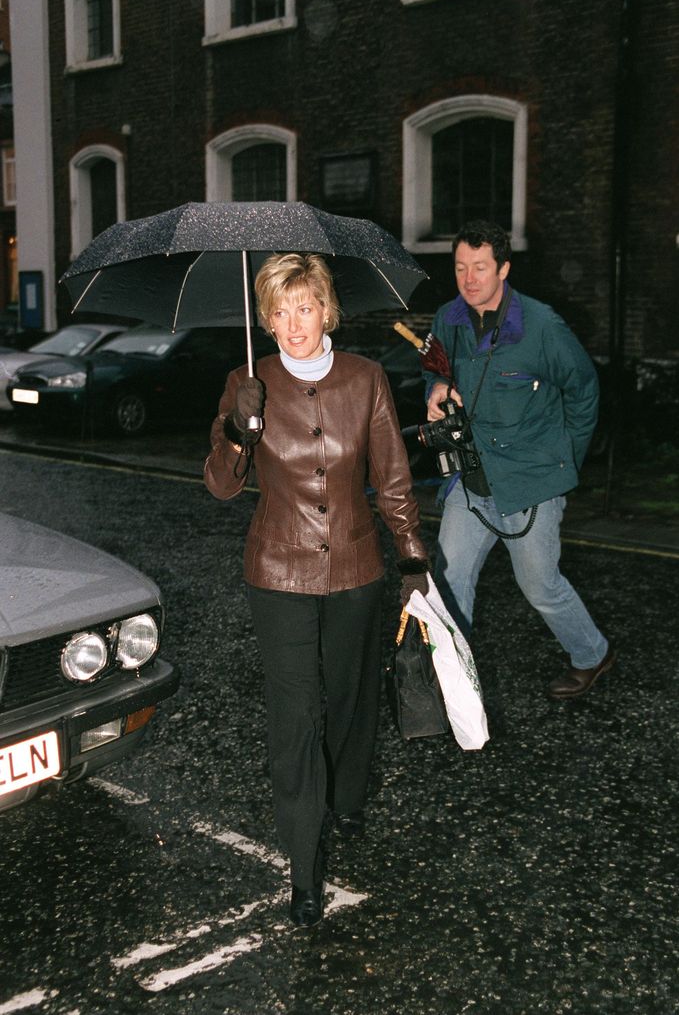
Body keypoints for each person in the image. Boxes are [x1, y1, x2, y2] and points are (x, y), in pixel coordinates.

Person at [204, 252, 429, 928]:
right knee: (295, 719)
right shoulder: (248, 382)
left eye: (303, 306)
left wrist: (412, 557)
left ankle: (350, 793)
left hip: (356, 572)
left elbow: (391, 478)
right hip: (277, 573)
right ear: (265, 320)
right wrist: (235, 431)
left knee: (349, 697)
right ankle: (304, 870)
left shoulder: (365, 379)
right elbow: (220, 485)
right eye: (278, 310)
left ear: (325, 309)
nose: (292, 323)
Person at [424, 219, 615, 700]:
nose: (469, 279)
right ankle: (453, 679)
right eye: (461, 267)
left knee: (540, 586)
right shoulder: (447, 318)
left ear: (504, 268)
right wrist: (438, 388)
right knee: (449, 581)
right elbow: (434, 368)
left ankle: (592, 655)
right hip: (470, 477)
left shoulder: (543, 326)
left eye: (481, 268)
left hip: (531, 483)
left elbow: (584, 390)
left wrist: (562, 461)